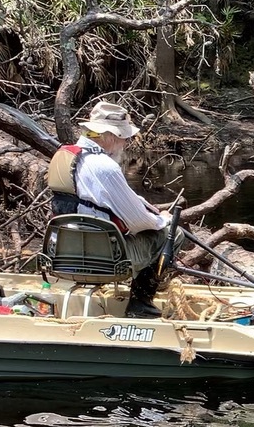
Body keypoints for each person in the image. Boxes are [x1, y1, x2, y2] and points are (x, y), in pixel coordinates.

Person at [50, 100, 183, 318]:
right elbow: (138, 221)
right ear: (111, 136)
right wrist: (163, 220)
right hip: (103, 257)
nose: (126, 142)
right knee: (171, 234)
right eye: (124, 137)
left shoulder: (64, 157)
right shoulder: (105, 166)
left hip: (65, 255)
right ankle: (140, 304)